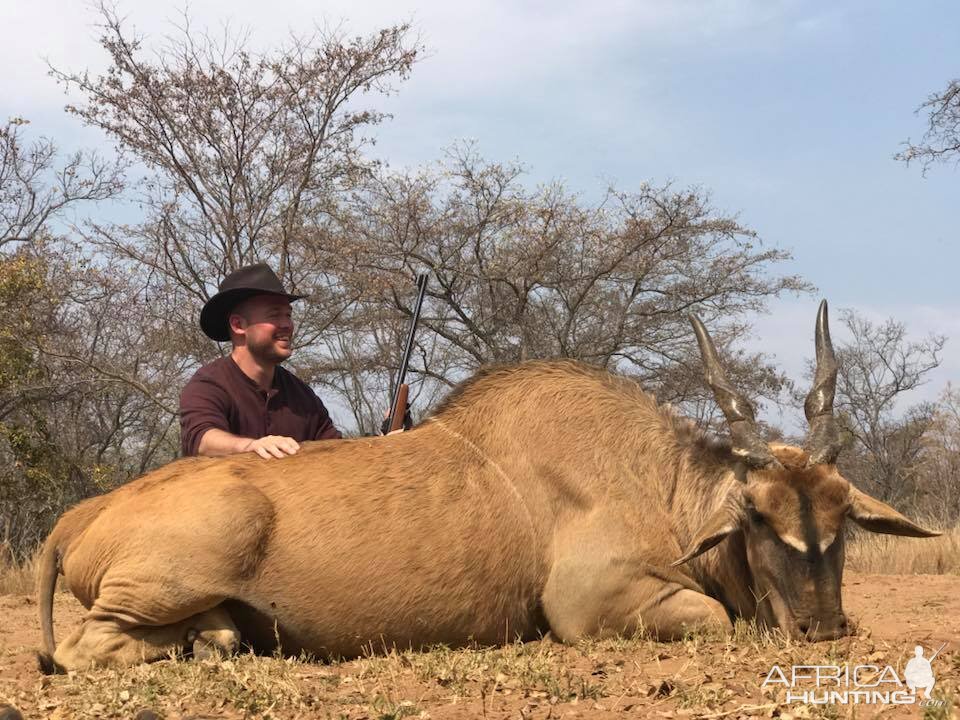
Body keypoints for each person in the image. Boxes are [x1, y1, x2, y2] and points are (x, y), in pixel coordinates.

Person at [180, 263, 342, 459]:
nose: (287, 325)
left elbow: (335, 450)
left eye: (288, 315)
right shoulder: (208, 384)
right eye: (274, 315)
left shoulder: (302, 395)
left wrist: (382, 443)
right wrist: (251, 445)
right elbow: (202, 439)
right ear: (238, 325)